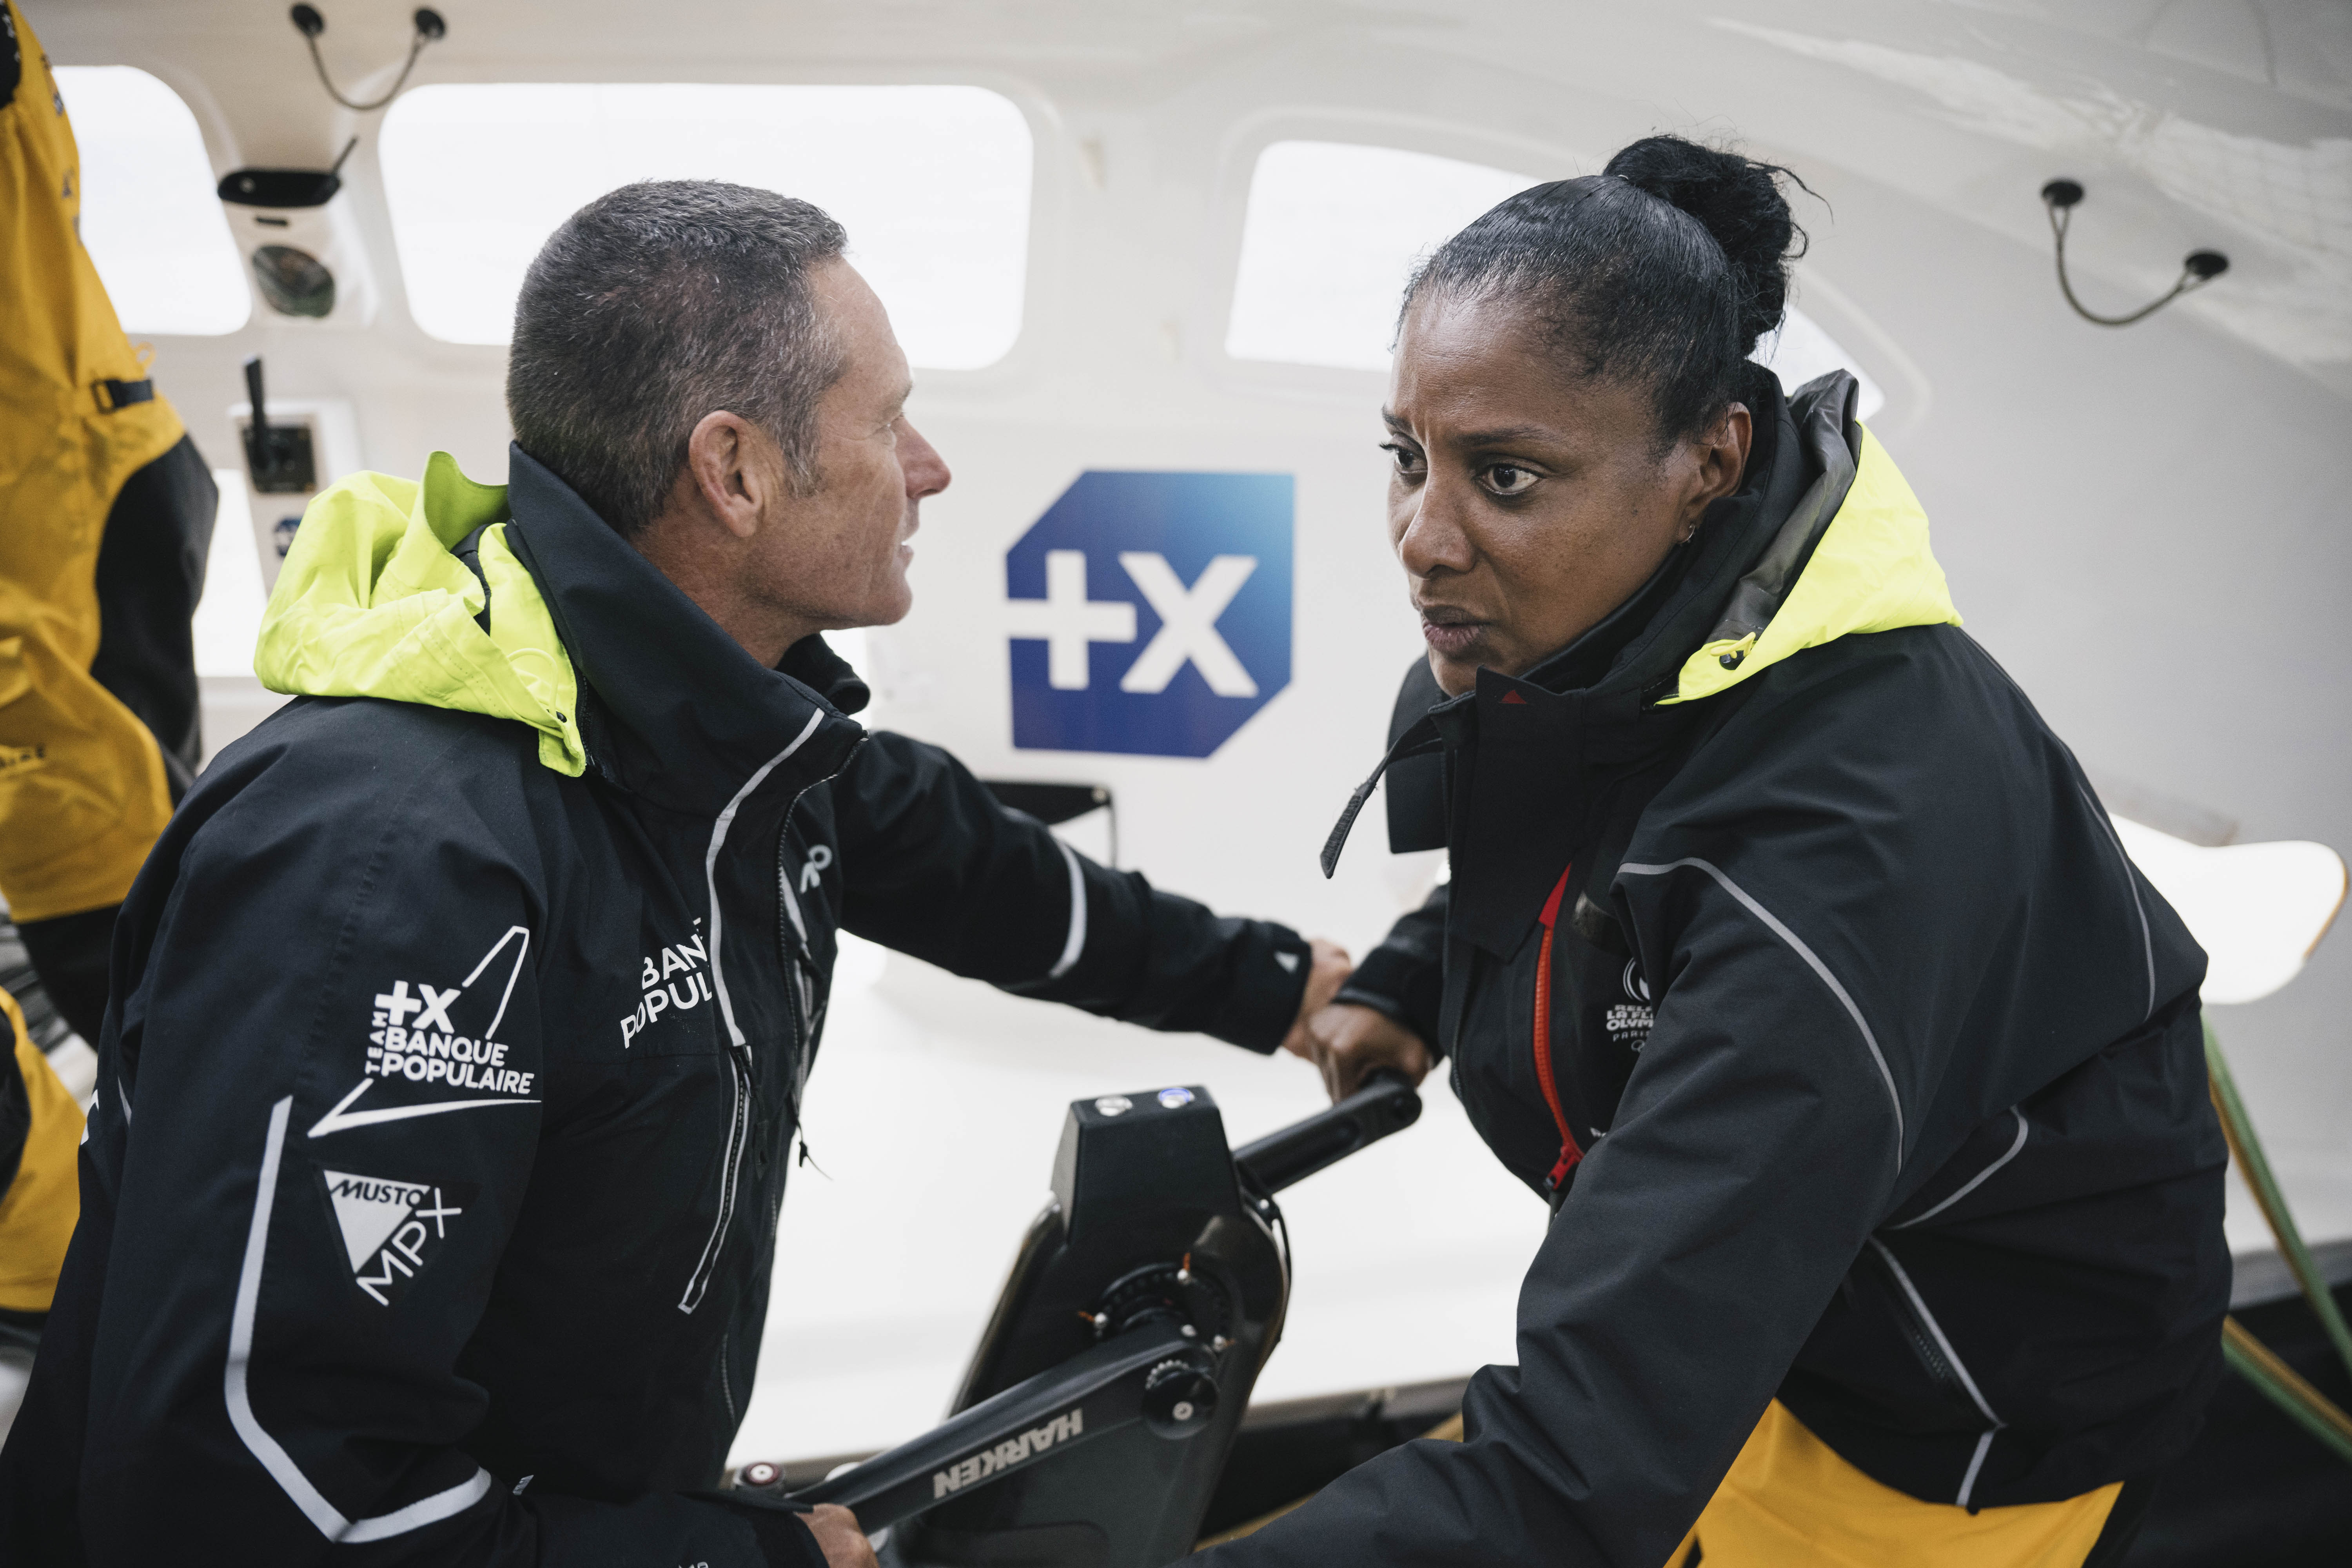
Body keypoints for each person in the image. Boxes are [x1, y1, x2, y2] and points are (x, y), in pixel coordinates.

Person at [0, 180, 1348, 1567]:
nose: (930, 466)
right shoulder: (388, 876)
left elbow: (962, 863)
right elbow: (256, 1496)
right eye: (887, 422)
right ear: (736, 469)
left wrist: (1287, 987)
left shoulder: (718, 734)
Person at [1217, 137, 2226, 1567]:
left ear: (1713, 459)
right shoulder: (1631, 633)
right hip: (1777, 1325)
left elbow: (1578, 1473)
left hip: (1958, 1427)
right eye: (1407, 458)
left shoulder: (1845, 848)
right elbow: (1579, 844)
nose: (1421, 539)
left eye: (1505, 477)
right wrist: (1411, 975)